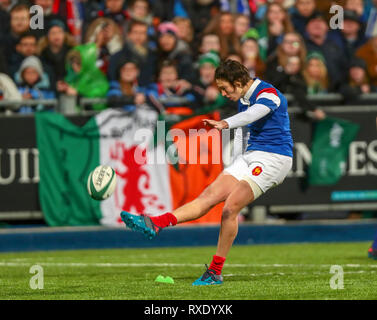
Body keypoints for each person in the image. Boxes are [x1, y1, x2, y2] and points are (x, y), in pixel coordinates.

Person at [120, 59, 293, 285]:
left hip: (275, 159)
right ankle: (156, 223)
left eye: (225, 88)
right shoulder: (242, 95)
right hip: (252, 155)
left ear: (239, 82)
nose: (222, 93)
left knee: (230, 208)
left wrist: (225, 123)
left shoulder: (269, 94)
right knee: (209, 195)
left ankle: (215, 271)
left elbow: (252, 115)